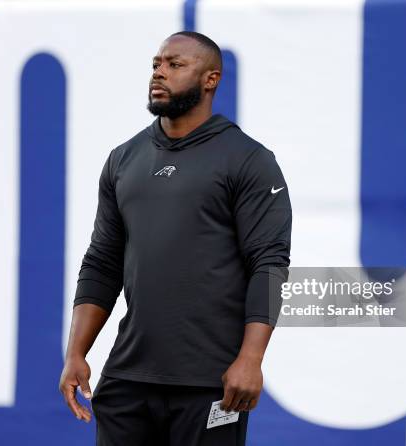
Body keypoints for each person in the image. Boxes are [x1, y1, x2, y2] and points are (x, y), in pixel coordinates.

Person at [59, 30, 292, 446]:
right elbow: (102, 263)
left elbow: (270, 265)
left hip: (212, 385)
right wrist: (77, 352)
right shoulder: (123, 159)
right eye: (156, 64)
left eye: (174, 64)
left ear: (211, 79)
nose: (159, 73)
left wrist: (250, 360)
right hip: (128, 380)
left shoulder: (248, 159)